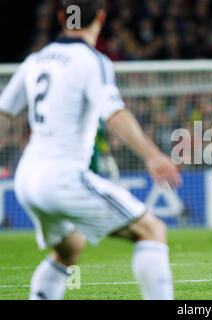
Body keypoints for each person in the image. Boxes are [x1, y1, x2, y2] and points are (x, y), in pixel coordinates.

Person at [0, 0, 181, 300]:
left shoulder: (37, 60)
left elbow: (4, 110)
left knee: (70, 248)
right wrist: (153, 155)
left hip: (27, 178)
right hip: (62, 178)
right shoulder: (92, 61)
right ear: (101, 17)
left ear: (61, 17)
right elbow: (114, 112)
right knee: (152, 231)